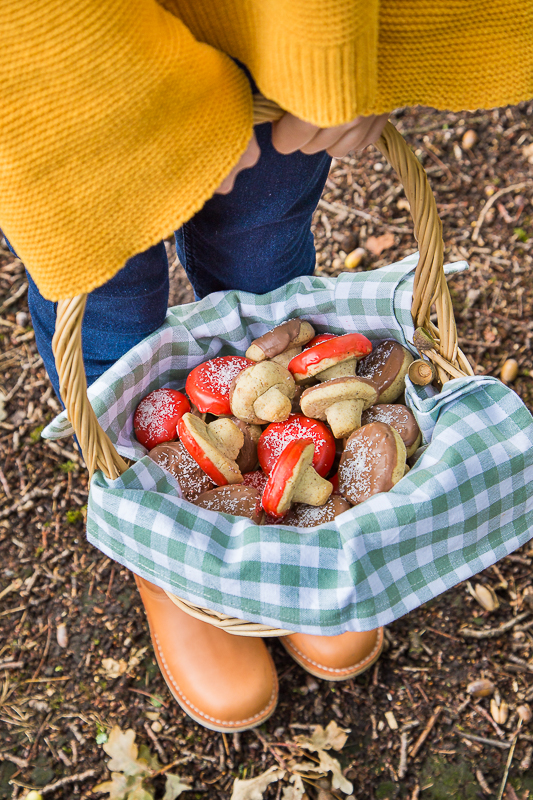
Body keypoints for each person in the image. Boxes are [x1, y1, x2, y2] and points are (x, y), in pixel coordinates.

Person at [2, 0, 531, 733]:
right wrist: (117, 99)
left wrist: (335, 59)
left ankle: (295, 560)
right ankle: (165, 550)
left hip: (268, 19)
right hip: (62, 62)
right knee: (102, 282)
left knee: (263, 237)